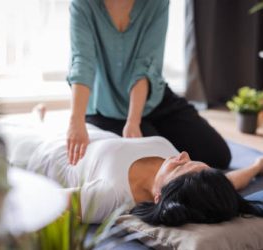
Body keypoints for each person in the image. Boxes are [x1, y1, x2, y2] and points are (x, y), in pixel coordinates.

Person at [66, 0, 231, 168]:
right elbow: (82, 62)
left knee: (219, 156)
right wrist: (76, 121)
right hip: (106, 107)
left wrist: (133, 121)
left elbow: (144, 65)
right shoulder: (82, 4)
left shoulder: (156, 3)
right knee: (160, 165)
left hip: (152, 99)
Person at [27, 126, 263, 224]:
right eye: (191, 161)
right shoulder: (196, 184)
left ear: (160, 196)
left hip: (38, 153)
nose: (183, 154)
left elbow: (44, 199)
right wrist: (257, 166)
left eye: (180, 167)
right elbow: (229, 183)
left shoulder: (111, 196)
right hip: (84, 130)